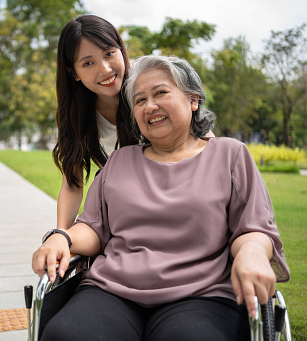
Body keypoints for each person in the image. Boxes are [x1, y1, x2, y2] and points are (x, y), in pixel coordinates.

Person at [33, 55, 290, 341]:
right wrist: (62, 237)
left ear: (193, 99)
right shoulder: (119, 161)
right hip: (112, 290)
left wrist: (253, 253)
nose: (149, 106)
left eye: (160, 93)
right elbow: (93, 227)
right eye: (140, 100)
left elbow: (252, 227)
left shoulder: (230, 155)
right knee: (67, 335)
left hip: (201, 293)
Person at [52, 14, 138, 230]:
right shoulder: (76, 113)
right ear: (74, 73)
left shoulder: (146, 85)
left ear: (121, 49)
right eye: (88, 63)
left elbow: (199, 137)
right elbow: (73, 185)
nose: (105, 70)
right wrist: (61, 234)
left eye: (109, 53)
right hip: (125, 212)